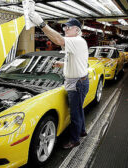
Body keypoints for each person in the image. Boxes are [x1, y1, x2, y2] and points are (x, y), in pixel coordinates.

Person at [29, 12, 89, 149]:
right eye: (64, 28)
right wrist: (62, 64)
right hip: (78, 81)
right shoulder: (75, 42)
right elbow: (73, 58)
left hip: (77, 83)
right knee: (78, 109)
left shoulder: (77, 41)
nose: (65, 29)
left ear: (77, 30)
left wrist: (41, 24)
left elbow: (58, 40)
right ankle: (82, 131)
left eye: (68, 27)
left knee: (75, 113)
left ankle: (74, 140)